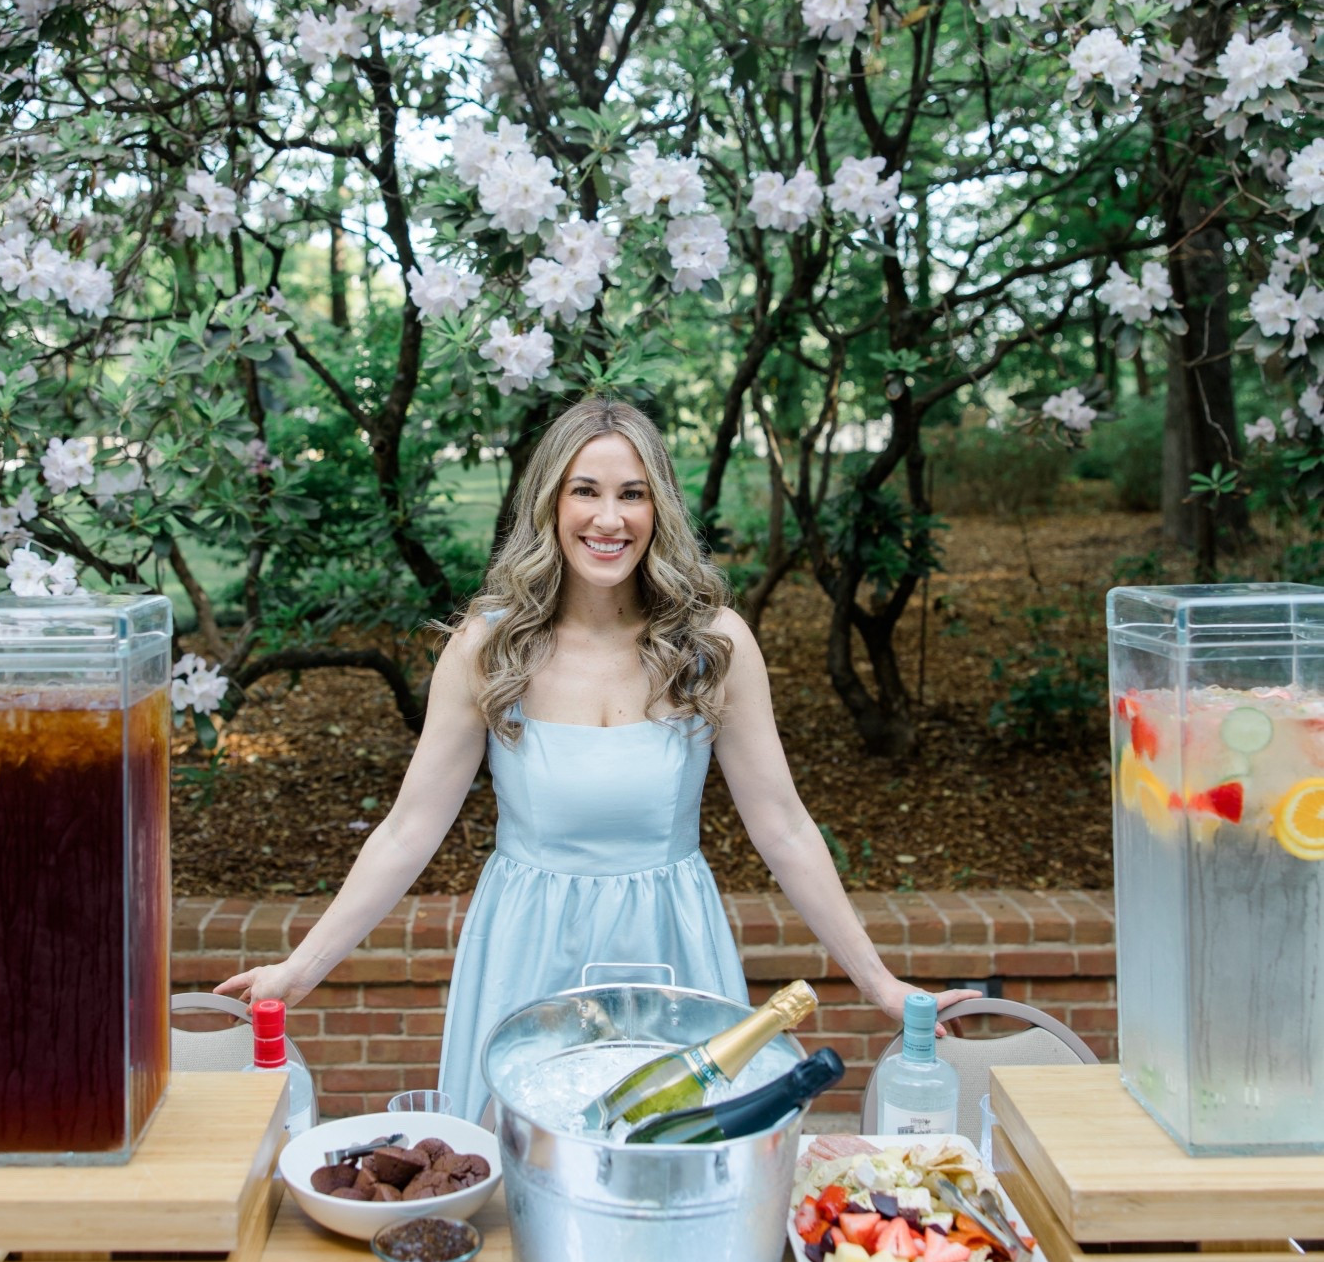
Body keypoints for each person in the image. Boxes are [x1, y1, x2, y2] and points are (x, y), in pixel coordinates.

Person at [218, 397, 970, 1121]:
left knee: (680, 1158)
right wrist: (300, 969)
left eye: (632, 494)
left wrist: (880, 983)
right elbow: (408, 830)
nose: (610, 519)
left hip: (672, 944)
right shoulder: (489, 648)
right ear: (550, 503)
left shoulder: (713, 645)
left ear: (658, 508)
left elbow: (785, 827)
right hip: (526, 950)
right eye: (586, 491)